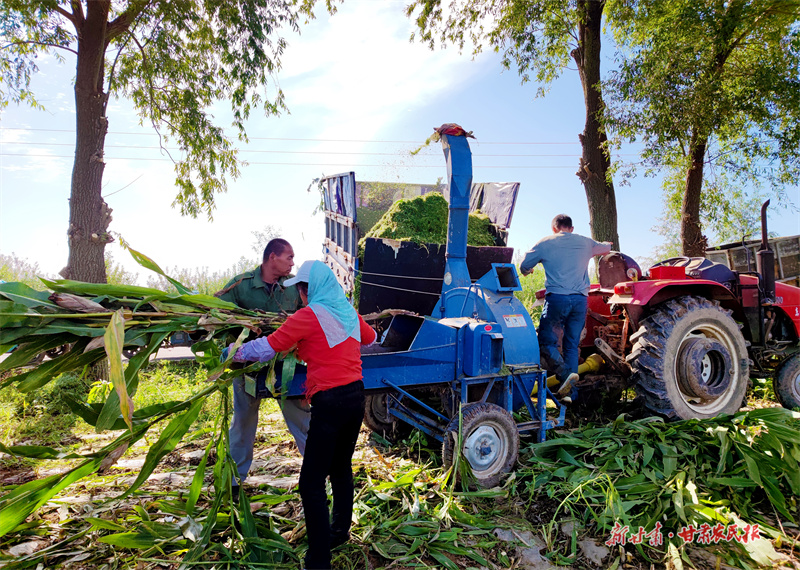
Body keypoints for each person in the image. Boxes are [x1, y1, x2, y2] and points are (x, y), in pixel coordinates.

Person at [230, 260, 377, 570]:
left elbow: (269, 347)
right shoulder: (347, 312)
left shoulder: (307, 316)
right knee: (340, 469)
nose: (300, 296)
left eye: (301, 290)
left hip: (330, 402)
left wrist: (235, 353)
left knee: (310, 484)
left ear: (308, 290)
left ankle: (318, 560)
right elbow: (371, 338)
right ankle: (340, 531)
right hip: (355, 398)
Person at [215, 238, 310, 495]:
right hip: (247, 368)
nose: (292, 262)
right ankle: (234, 483)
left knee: (302, 420)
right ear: (272, 258)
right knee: (243, 423)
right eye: (288, 257)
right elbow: (214, 312)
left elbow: (308, 316)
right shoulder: (241, 285)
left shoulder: (292, 288)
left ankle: (318, 473)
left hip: (286, 366)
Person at [520, 214, 613, 403]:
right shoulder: (585, 242)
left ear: (554, 228)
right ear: (571, 228)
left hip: (557, 300)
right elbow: (607, 248)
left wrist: (529, 270)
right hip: (580, 301)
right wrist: (605, 243)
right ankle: (572, 396)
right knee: (571, 346)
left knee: (546, 342)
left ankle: (564, 374)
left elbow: (524, 266)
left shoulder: (545, 242)